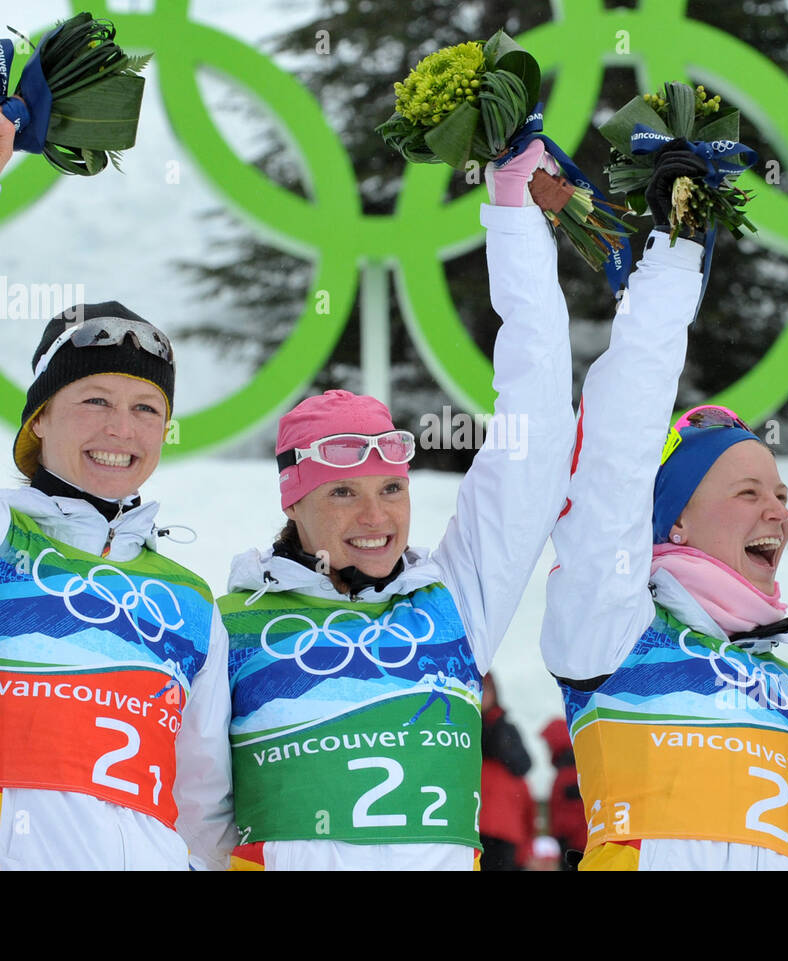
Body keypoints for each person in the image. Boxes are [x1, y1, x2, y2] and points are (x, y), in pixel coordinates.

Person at [0, 93, 233, 870]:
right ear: (38, 422)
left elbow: (206, 813)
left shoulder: (192, 601)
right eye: (92, 400)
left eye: (144, 407)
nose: (119, 429)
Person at [220, 141, 577, 870]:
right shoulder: (231, 628)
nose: (375, 517)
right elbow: (194, 813)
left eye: (391, 489)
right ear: (295, 505)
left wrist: (512, 215)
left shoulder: (453, 607)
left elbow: (535, 439)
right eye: (343, 493)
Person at [538, 146, 788, 871]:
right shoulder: (616, 632)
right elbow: (612, 466)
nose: (777, 513)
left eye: (782, 495)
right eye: (747, 492)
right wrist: (673, 260)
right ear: (675, 524)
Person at [478, 673, 536, 870]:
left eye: (487, 690)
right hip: (477, 823)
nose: (483, 695)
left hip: (502, 824)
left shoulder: (505, 727)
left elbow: (523, 764)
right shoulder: (462, 728)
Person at [540, 718, 586, 867]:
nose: (547, 749)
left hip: (575, 843)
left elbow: (570, 813)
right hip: (581, 841)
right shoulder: (578, 767)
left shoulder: (569, 773)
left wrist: (561, 835)